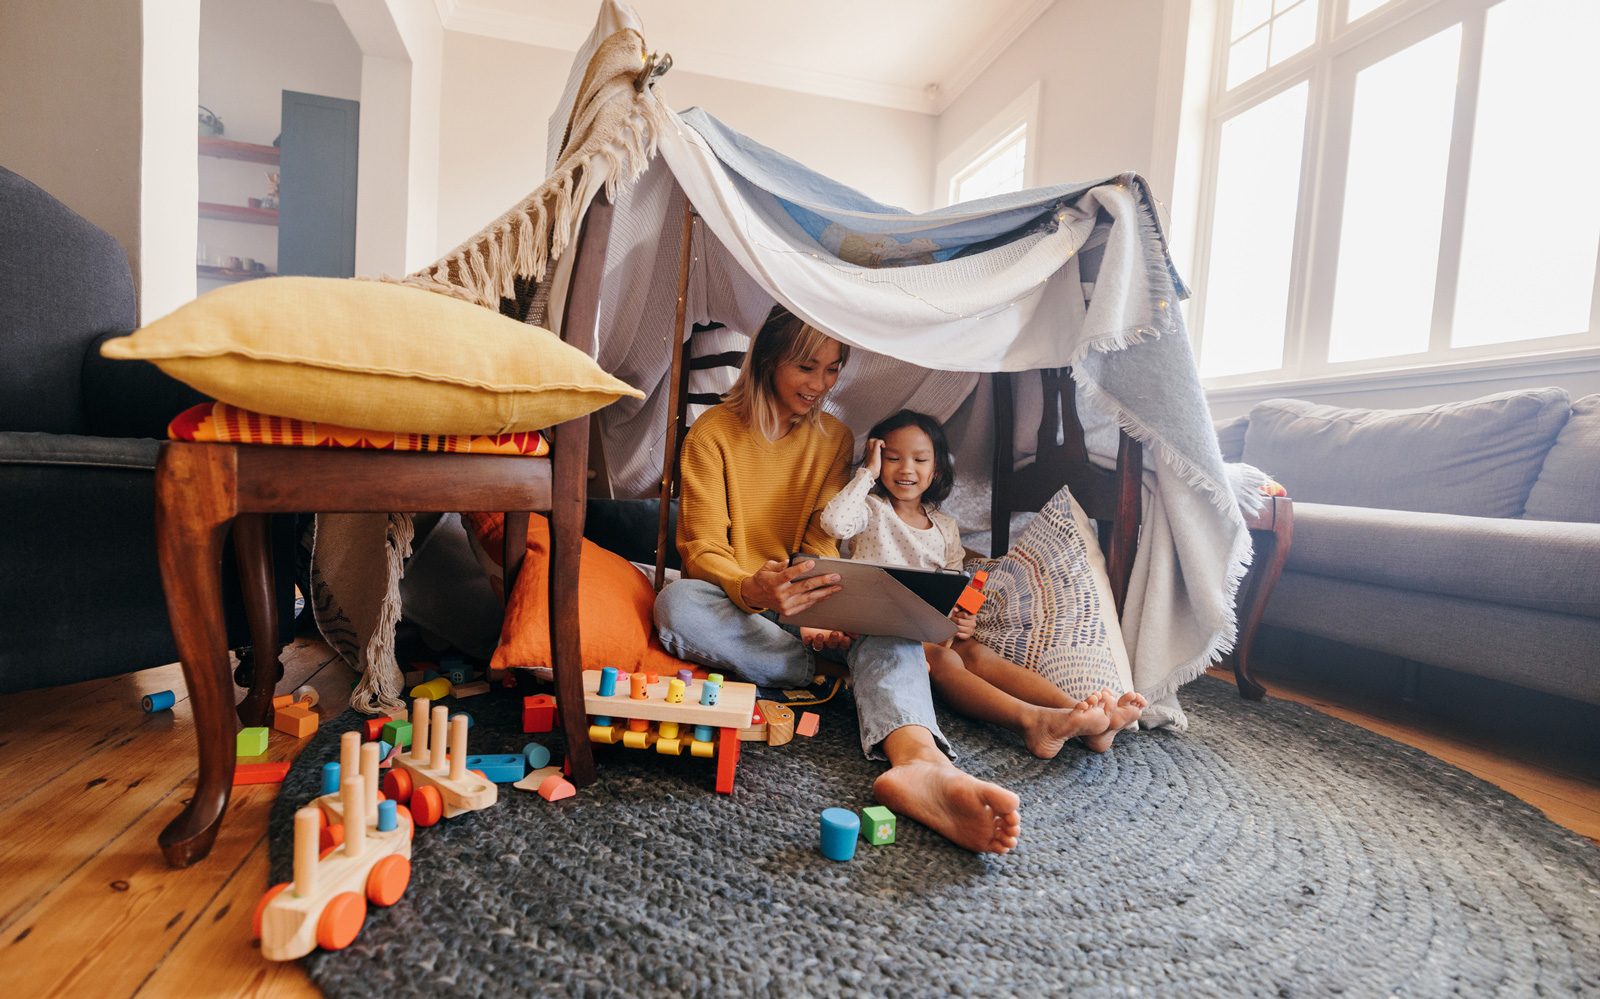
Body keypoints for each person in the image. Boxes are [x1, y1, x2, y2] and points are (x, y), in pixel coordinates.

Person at [653, 305, 1020, 854]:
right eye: (807, 367)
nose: (821, 383)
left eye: (833, 368)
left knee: (887, 615)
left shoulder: (834, 438)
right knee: (677, 605)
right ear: (769, 359)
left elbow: (824, 541)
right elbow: (701, 547)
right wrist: (753, 586)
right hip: (741, 595)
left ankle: (920, 764)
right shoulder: (710, 434)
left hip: (806, 598)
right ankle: (841, 675)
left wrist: (820, 605)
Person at [820, 409, 1146, 758]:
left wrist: (963, 620)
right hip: (885, 633)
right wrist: (867, 472)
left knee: (977, 652)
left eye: (920, 459)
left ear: (937, 468)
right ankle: (1031, 722)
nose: (906, 469)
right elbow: (834, 524)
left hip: (932, 631)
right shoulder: (871, 510)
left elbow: (956, 590)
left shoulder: (944, 526)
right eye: (892, 458)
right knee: (947, 663)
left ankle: (1086, 716)